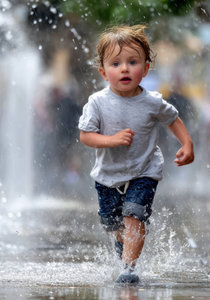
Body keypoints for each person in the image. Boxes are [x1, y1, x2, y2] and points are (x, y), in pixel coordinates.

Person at [78, 25, 194, 284]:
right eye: (116, 63)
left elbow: (173, 119)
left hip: (145, 170)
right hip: (108, 175)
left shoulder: (152, 101)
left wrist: (187, 143)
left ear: (146, 68)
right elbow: (86, 136)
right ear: (103, 72)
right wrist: (111, 140)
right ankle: (128, 242)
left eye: (133, 62)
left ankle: (129, 269)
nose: (125, 69)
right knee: (111, 223)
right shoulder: (97, 102)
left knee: (134, 214)